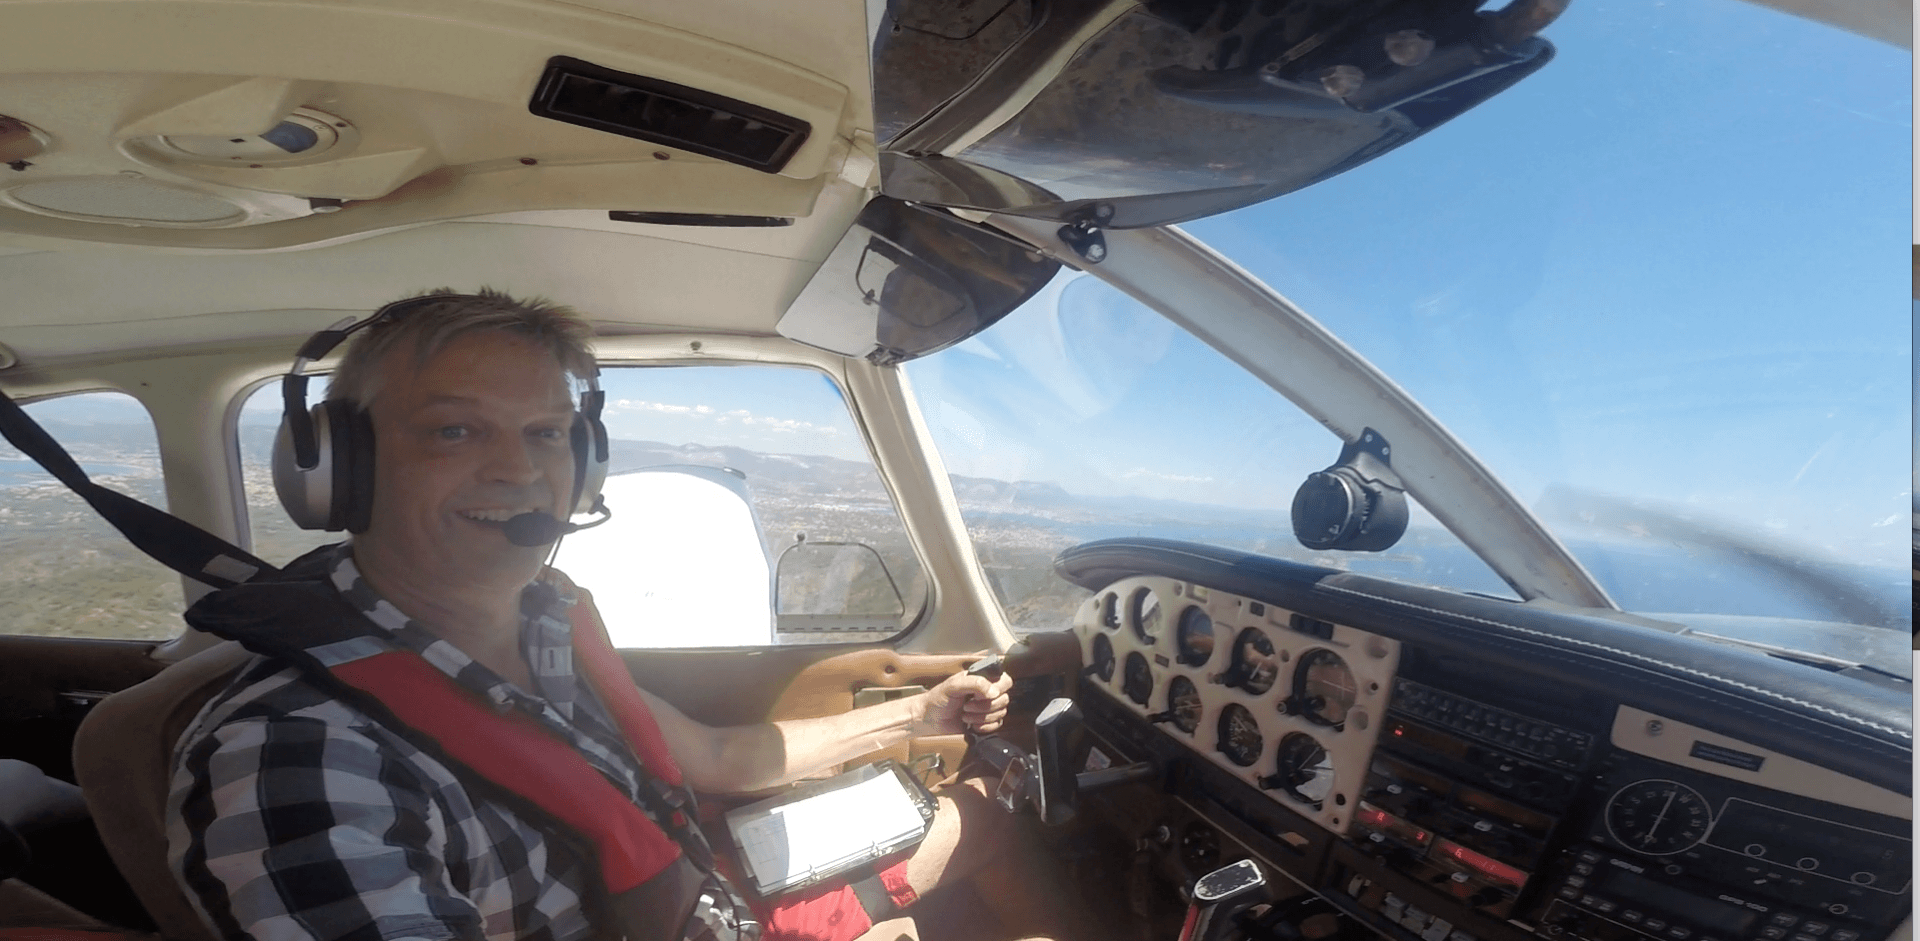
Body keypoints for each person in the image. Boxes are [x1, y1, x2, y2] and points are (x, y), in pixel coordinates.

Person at [166, 290, 1046, 941]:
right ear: (337, 468)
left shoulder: (547, 624)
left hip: (706, 896)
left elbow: (714, 756)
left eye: (548, 433)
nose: (519, 471)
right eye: (453, 432)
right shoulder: (302, 755)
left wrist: (918, 715)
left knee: (993, 813)